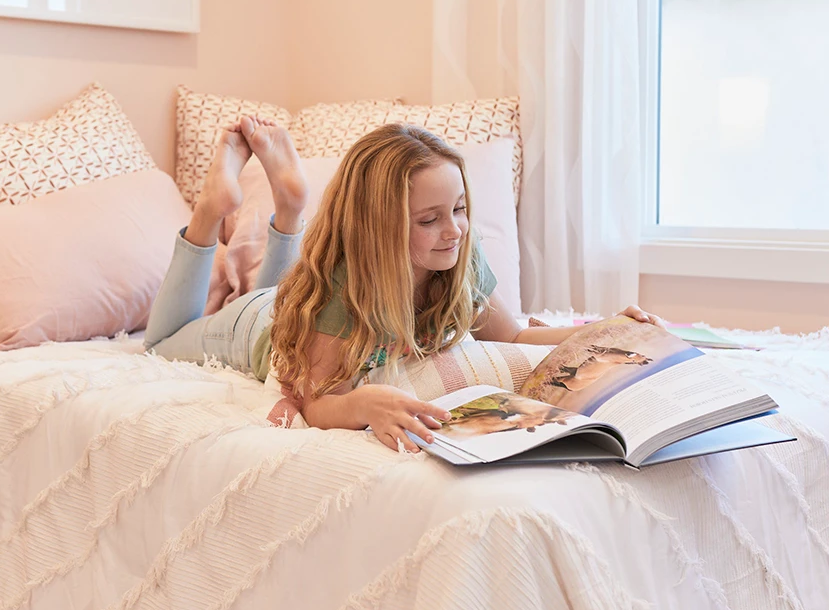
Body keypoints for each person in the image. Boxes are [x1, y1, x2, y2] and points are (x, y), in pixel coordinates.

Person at [144, 118, 662, 452]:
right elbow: (318, 400)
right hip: (257, 323)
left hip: (297, 301)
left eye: (459, 209)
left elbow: (515, 336)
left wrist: (605, 332)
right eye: (430, 219)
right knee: (162, 339)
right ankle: (212, 210)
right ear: (377, 228)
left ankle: (289, 209)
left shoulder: (457, 252)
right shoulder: (340, 294)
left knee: (292, 286)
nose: (455, 229)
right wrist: (367, 403)